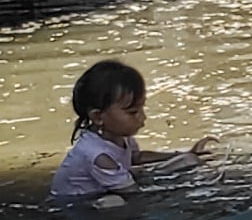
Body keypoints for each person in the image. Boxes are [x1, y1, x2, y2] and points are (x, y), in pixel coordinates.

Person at [50, 61, 216, 207]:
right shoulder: (98, 156)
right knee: (115, 203)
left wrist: (185, 154)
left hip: (113, 184)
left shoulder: (120, 136)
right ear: (98, 117)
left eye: (142, 108)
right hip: (79, 204)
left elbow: (136, 157)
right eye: (133, 112)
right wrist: (179, 193)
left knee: (187, 161)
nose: (143, 117)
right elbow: (133, 193)